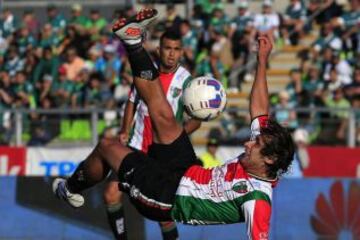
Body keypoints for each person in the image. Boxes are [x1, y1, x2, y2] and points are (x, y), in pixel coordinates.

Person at [53, 9, 295, 240]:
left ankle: (69, 187)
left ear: (270, 160)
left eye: (256, 143)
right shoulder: (262, 154)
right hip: (187, 169)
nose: (248, 142)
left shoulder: (258, 200)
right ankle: (133, 42)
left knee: (107, 146)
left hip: (168, 196)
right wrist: (262, 60)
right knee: (164, 115)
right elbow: (260, 109)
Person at [103, 30, 202, 240]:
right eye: (167, 48)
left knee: (163, 214)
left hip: (161, 153)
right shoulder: (146, 72)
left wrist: (177, 139)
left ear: (182, 52)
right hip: (136, 143)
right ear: (159, 50)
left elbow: (197, 119)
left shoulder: (187, 82)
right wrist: (124, 130)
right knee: (111, 194)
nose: (171, 54)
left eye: (176, 50)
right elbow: (132, 101)